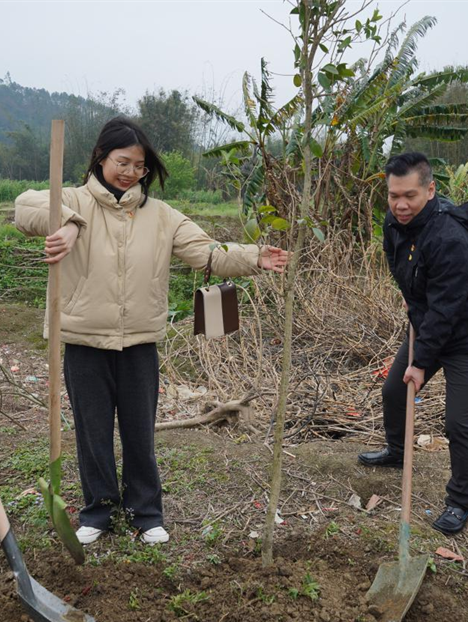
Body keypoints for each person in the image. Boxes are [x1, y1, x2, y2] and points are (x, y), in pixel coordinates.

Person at [15, 117, 289, 546]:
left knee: (139, 431)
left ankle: (146, 512)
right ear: (101, 158)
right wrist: (68, 222)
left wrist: (254, 257)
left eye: (138, 166)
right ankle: (98, 511)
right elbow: (24, 206)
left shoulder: (161, 216)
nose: (129, 172)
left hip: (140, 341)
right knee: (92, 431)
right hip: (85, 342)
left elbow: (209, 254)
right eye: (122, 161)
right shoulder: (70, 200)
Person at [358, 152, 468, 535]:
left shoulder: (451, 238)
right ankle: (397, 452)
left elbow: (446, 310)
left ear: (431, 190)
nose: (400, 205)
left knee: (459, 421)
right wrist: (410, 294)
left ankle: (460, 501)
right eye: (393, 196)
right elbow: (394, 257)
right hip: (431, 320)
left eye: (410, 196)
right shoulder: (395, 221)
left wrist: (420, 363)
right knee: (393, 390)